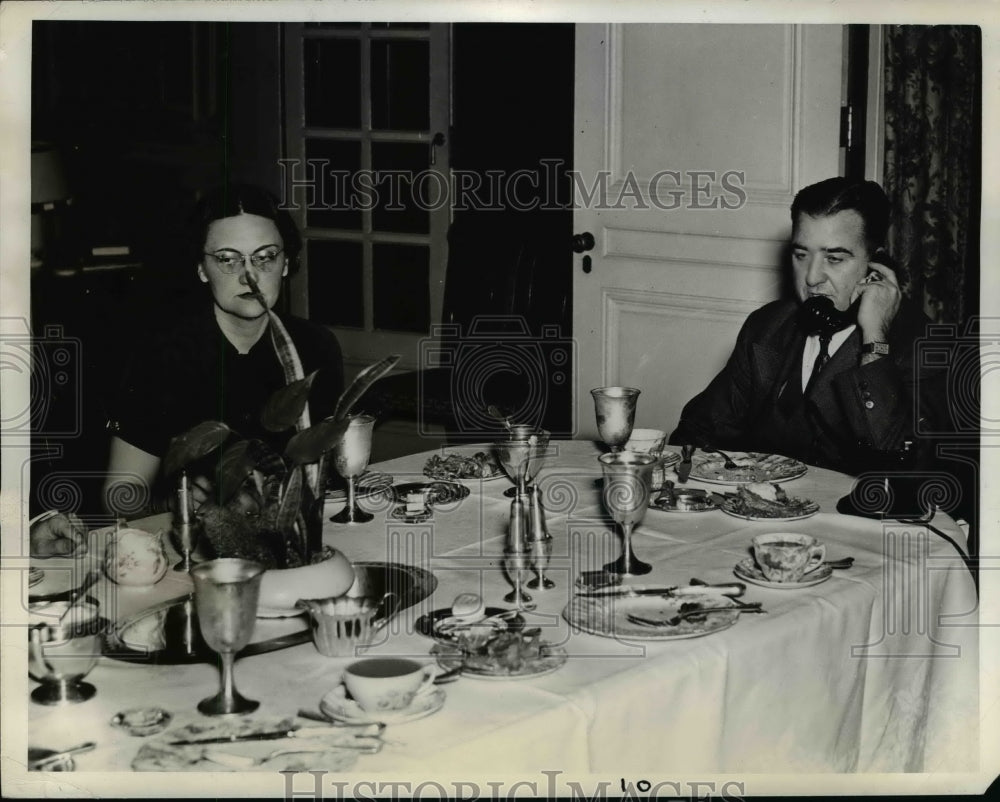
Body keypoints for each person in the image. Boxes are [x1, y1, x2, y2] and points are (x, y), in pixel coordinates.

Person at [669, 177, 948, 476]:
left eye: (835, 258)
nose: (812, 277)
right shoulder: (767, 328)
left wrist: (874, 341)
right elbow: (698, 431)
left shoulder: (920, 342)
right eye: (801, 255)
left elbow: (907, 470)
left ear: (875, 265)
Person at [102, 184, 344, 515]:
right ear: (202, 269)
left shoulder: (315, 346)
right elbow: (119, 495)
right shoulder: (162, 355)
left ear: (286, 264)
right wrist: (178, 503)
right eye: (228, 260)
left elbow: (326, 477)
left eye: (266, 257)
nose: (250, 277)